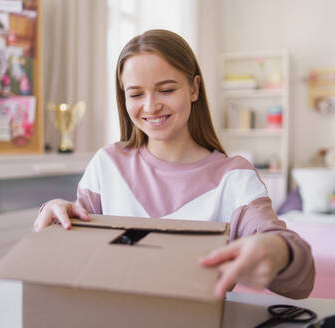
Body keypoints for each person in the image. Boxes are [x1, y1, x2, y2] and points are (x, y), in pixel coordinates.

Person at [33, 29, 315, 300]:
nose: (151, 106)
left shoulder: (234, 177)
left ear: (194, 88)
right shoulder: (107, 163)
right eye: (135, 94)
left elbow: (301, 279)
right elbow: (75, 247)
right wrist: (55, 211)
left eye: (166, 90)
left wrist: (278, 251)